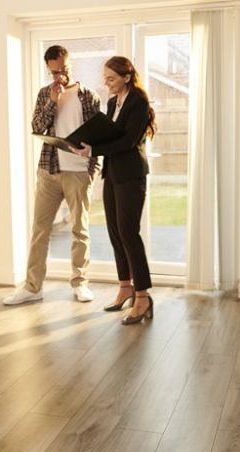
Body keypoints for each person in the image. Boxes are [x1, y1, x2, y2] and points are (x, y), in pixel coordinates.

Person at [4, 45, 101, 306]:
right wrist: (52, 101)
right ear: (49, 69)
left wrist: (93, 168)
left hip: (79, 172)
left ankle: (80, 283)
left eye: (64, 69)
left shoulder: (88, 96)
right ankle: (32, 287)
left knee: (79, 229)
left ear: (71, 64)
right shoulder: (45, 94)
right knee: (39, 230)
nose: (60, 76)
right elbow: (36, 126)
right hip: (49, 169)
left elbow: (99, 136)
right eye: (54, 72)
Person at [71, 56, 156, 325]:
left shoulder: (138, 101)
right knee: (115, 232)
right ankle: (125, 287)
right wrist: (86, 140)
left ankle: (142, 297)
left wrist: (94, 150)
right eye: (105, 78)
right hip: (113, 172)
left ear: (126, 77)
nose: (106, 84)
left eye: (111, 79)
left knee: (129, 233)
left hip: (131, 174)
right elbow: (111, 134)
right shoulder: (112, 102)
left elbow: (129, 141)